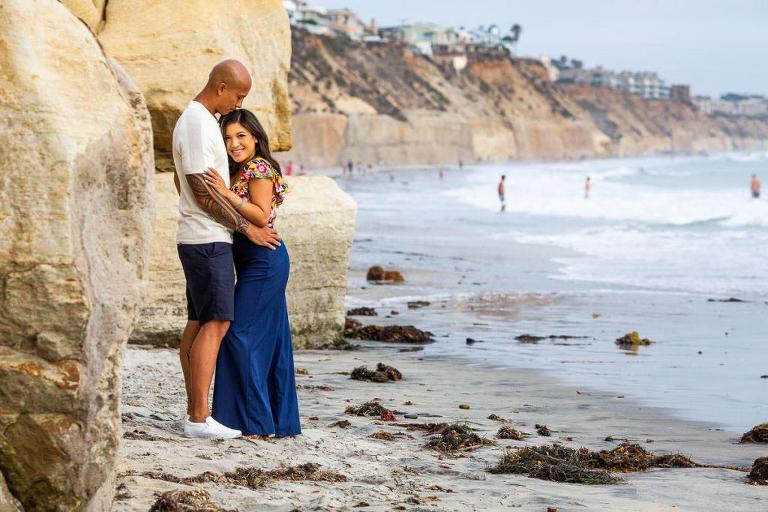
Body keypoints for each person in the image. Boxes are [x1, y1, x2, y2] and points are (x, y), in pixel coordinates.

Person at [172, 60, 281, 439]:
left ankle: (193, 413)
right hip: (207, 239)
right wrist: (244, 227)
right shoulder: (200, 124)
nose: (238, 104)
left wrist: (225, 207)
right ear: (221, 87)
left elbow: (183, 182)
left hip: (199, 236)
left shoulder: (195, 121)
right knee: (217, 323)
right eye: (238, 95)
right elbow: (202, 189)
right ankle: (199, 419)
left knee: (201, 322)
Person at [203, 109, 301, 438]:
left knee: (236, 334)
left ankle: (253, 424)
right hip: (253, 260)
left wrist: (226, 192)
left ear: (255, 137)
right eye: (228, 138)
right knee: (270, 342)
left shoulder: (258, 167)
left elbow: (259, 216)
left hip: (265, 261)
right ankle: (276, 423)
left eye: (241, 136)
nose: (234, 143)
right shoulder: (238, 169)